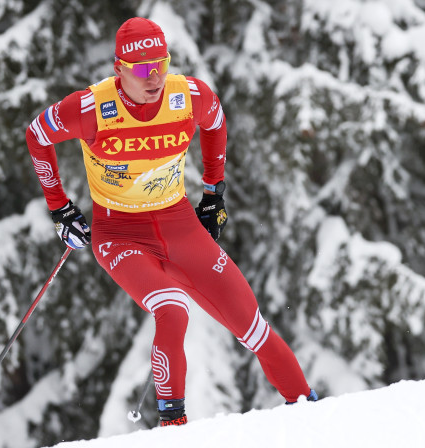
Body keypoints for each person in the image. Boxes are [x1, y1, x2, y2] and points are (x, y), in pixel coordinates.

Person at [26, 17, 316, 427]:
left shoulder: (189, 94)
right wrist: (60, 209)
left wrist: (214, 193)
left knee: (253, 326)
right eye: (142, 68)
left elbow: (215, 122)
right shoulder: (91, 109)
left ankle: (316, 414)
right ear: (118, 68)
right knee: (172, 308)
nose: (154, 77)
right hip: (120, 232)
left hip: (179, 224)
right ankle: (172, 429)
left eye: (160, 64)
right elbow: (37, 134)